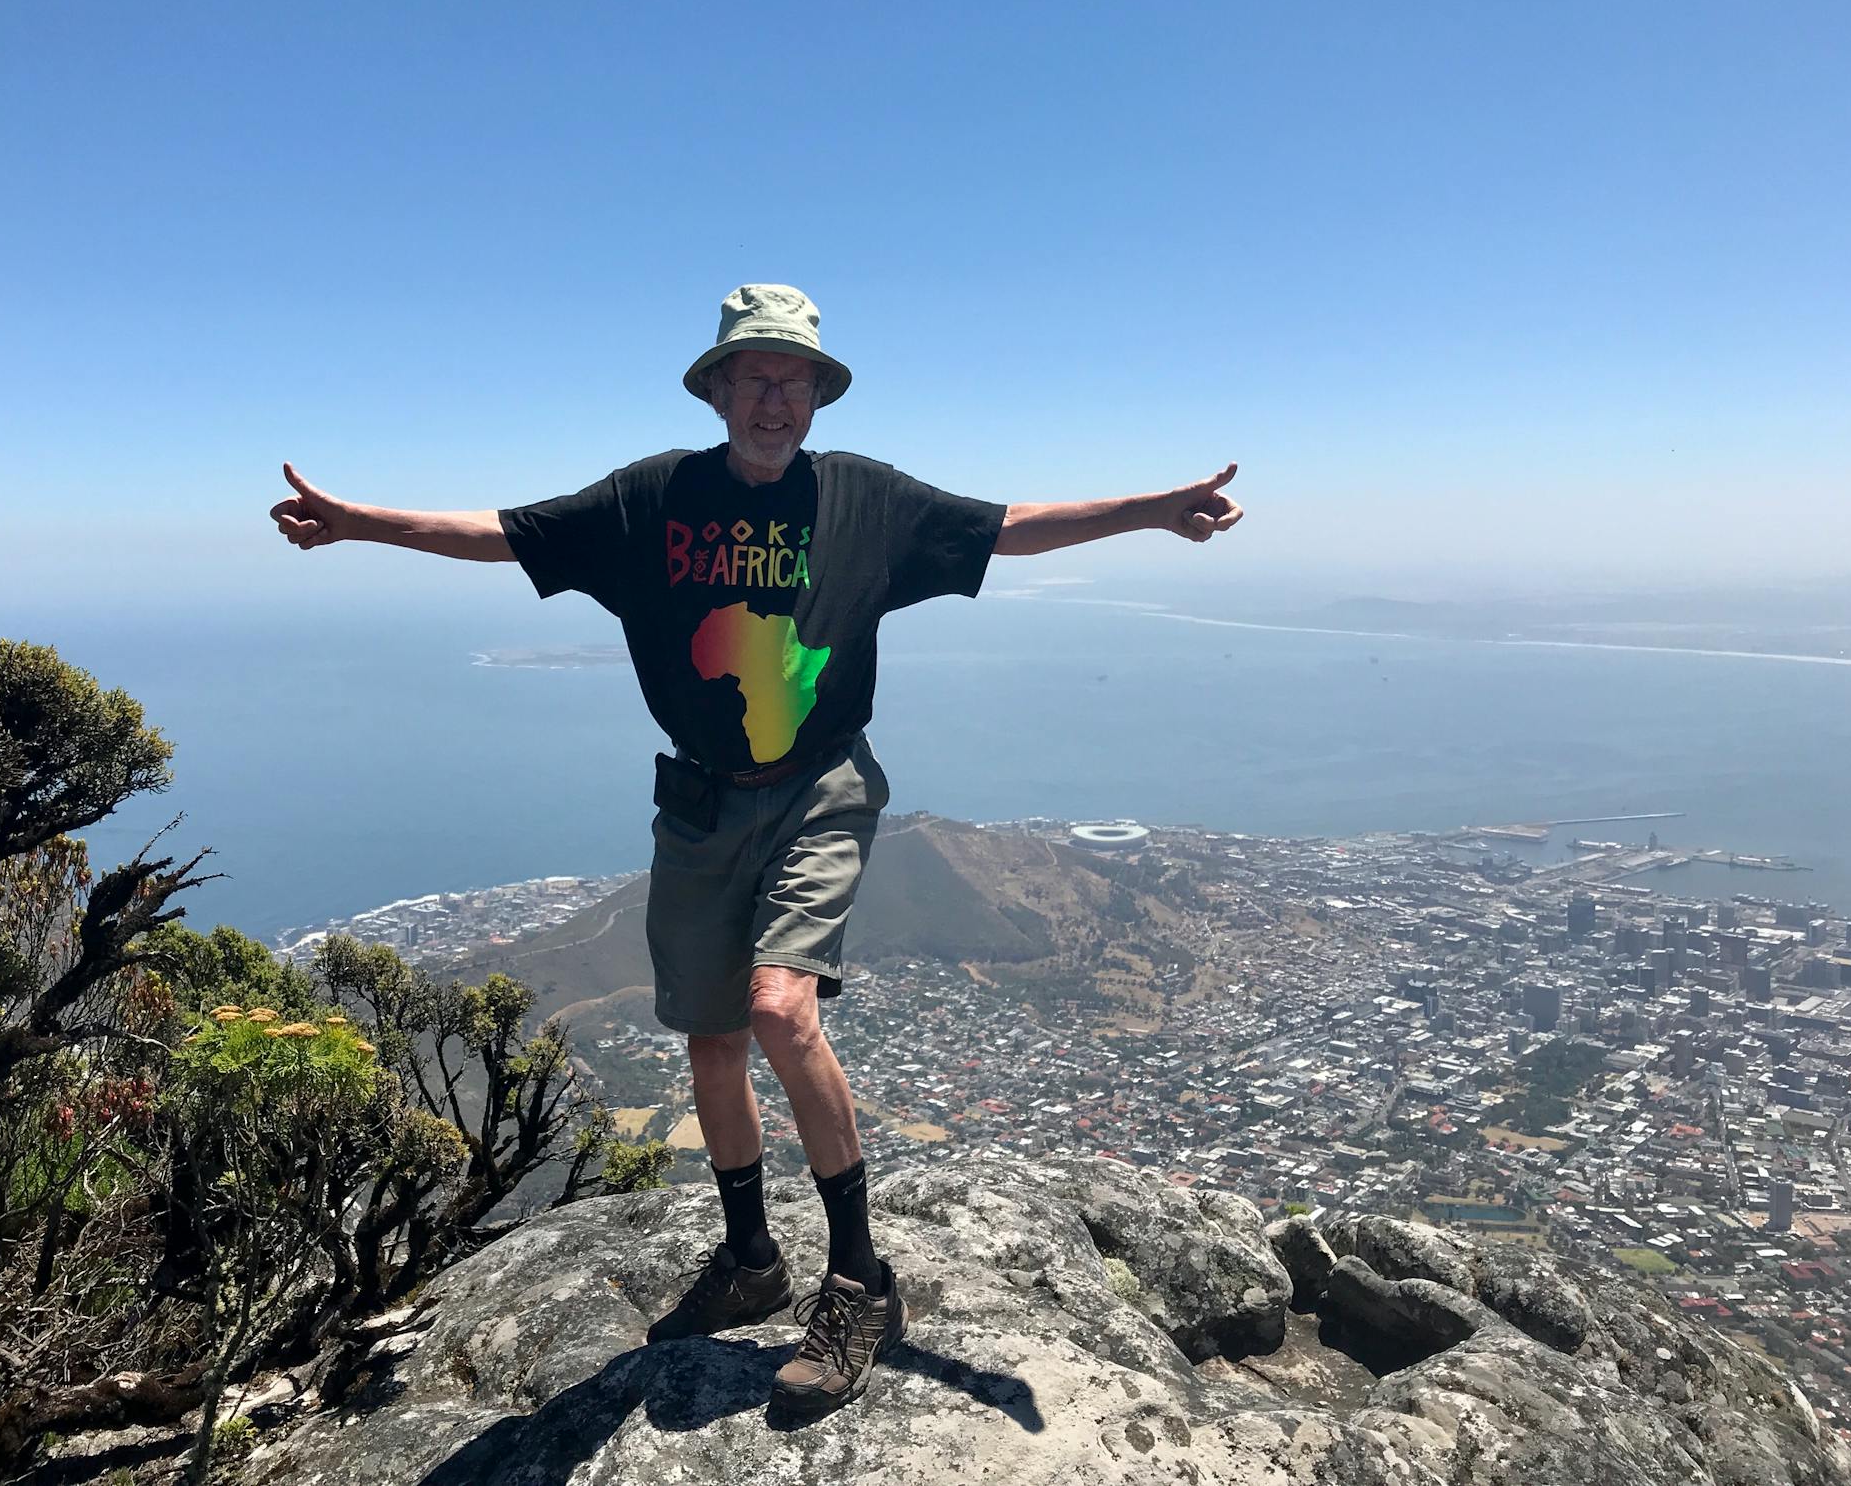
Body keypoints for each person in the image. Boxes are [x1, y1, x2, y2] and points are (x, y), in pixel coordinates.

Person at [270, 283, 1242, 1415]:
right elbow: (503, 534)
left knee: (784, 1009)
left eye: (795, 381)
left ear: (816, 394)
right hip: (697, 804)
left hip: (821, 784)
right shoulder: (652, 498)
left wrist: (1153, 510)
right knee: (713, 1036)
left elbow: (1008, 526)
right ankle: (748, 1261)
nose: (775, 399)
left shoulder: (865, 500)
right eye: (754, 377)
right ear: (719, 387)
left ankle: (859, 1280)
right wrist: (359, 524)